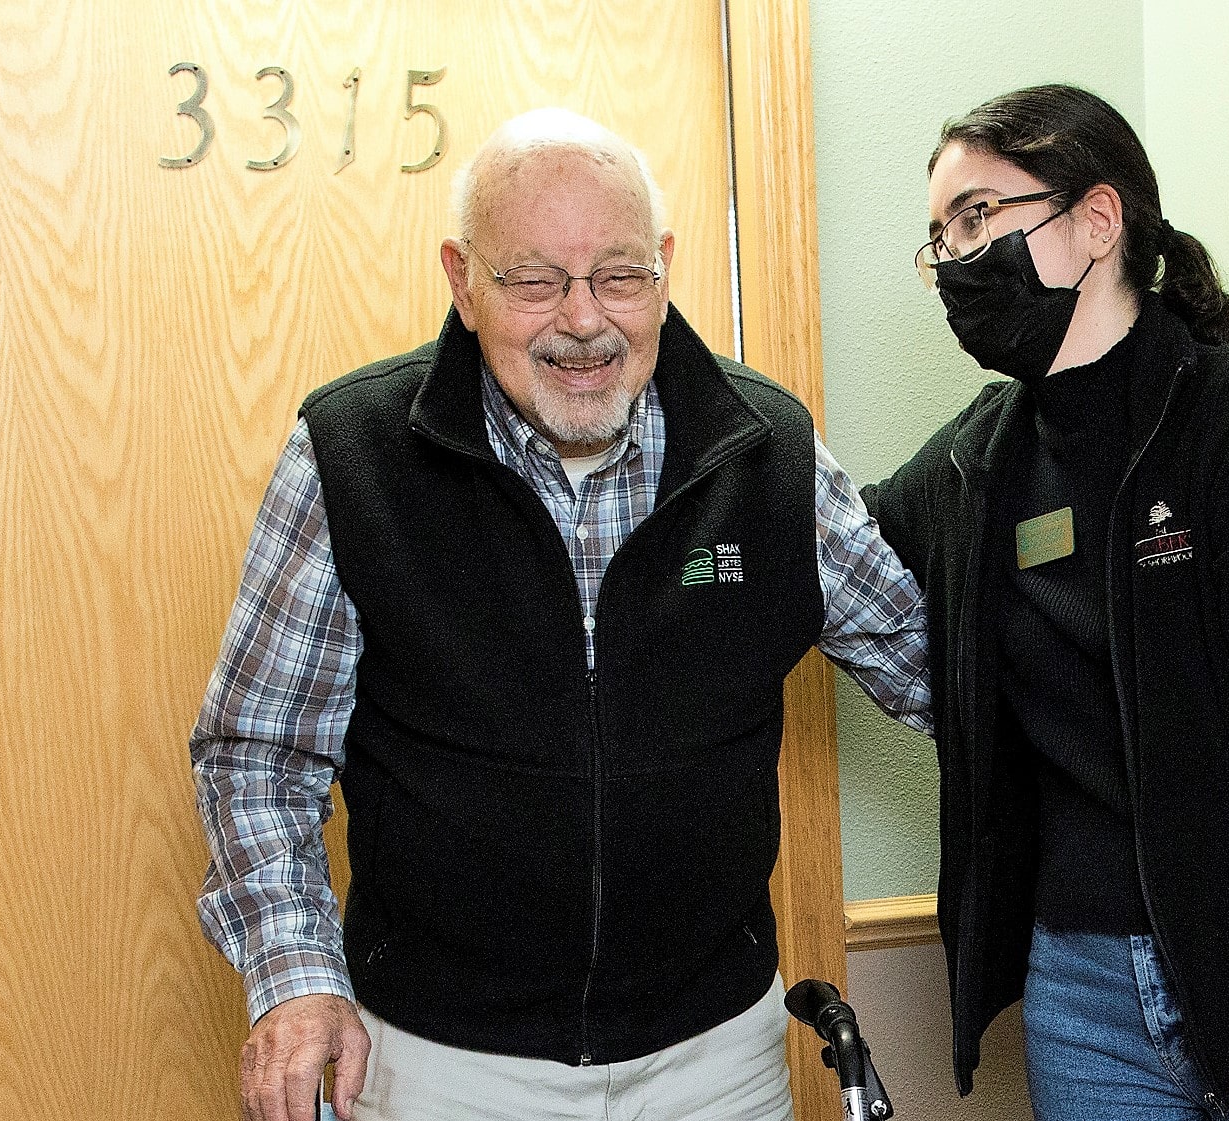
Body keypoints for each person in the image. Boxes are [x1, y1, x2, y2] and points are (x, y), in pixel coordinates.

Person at [190, 108, 931, 1121]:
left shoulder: (768, 451)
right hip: (441, 1061)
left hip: (715, 1055)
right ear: (460, 278)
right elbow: (257, 752)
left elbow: (928, 661)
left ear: (663, 269)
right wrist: (293, 969)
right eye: (533, 280)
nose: (582, 321)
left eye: (619, 277)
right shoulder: (349, 454)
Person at [863, 85, 1229, 1121]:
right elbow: (834, 546)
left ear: (1096, 220)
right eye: (939, 234)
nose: (953, 257)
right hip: (1084, 1002)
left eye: (978, 217)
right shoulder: (976, 458)